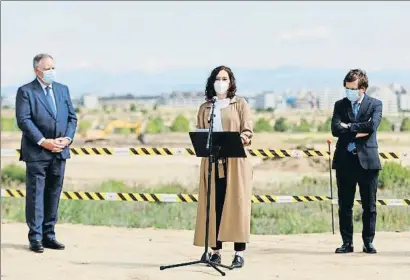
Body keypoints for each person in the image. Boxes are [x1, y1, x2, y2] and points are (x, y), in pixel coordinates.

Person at [15, 53, 77, 253]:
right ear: (37, 71)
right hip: (37, 153)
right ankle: (36, 238)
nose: (51, 72)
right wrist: (44, 141)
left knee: (53, 194)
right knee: (36, 196)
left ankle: (49, 235)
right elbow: (24, 120)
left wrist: (66, 139)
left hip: (59, 152)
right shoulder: (25, 92)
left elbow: (71, 118)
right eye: (47, 69)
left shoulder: (62, 89)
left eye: (53, 68)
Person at [193, 65, 253, 268]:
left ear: (231, 82)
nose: (221, 82)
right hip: (212, 163)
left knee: (236, 205)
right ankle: (215, 252)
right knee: (214, 205)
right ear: (212, 82)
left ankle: (238, 254)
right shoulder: (205, 108)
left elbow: (247, 131)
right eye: (218, 78)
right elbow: (201, 133)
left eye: (225, 78)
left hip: (235, 163)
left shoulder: (240, 104)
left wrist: (241, 139)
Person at [331, 69, 383, 254]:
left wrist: (349, 126)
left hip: (367, 162)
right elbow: (335, 130)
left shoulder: (375, 104)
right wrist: (357, 130)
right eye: (347, 88)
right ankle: (347, 243)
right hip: (345, 162)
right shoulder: (340, 105)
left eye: (352, 89)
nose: (349, 92)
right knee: (345, 205)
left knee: (369, 206)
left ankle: (368, 242)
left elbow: (371, 126)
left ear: (363, 88)